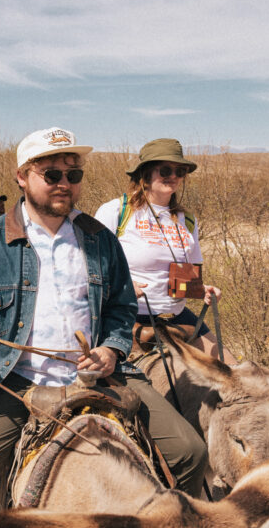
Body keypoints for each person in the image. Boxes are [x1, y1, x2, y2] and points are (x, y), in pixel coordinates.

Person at [0, 127, 208, 528]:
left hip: (100, 378)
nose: (65, 183)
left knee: (190, 453)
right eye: (52, 174)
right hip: (17, 379)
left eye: (74, 174)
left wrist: (111, 349)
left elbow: (122, 309)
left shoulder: (99, 238)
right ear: (22, 178)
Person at [94, 138, 237, 363]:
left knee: (230, 369)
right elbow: (91, 266)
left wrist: (201, 290)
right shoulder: (117, 211)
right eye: (166, 170)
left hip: (176, 315)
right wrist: (122, 286)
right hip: (129, 316)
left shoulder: (186, 219)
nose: (174, 176)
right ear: (146, 173)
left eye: (180, 171)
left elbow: (183, 277)